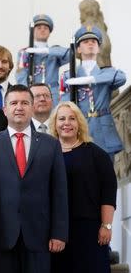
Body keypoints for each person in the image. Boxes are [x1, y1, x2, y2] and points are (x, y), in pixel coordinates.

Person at [0, 84, 68, 273]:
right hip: (1, 237)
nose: (19, 107)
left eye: (25, 103)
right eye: (14, 103)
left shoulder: (51, 145)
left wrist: (59, 233)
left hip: (39, 236)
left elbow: (59, 192)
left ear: (32, 107)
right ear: (5, 109)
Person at [49, 101, 117, 273]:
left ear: (79, 123)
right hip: (55, 231)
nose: (66, 123)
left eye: (72, 119)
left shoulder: (97, 154)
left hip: (89, 230)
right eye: (61, 119)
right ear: (55, 125)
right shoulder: (47, 154)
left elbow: (108, 191)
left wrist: (106, 225)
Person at [61, 25, 126, 158]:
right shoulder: (69, 76)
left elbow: (121, 78)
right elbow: (64, 103)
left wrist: (91, 79)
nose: (90, 44)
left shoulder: (107, 72)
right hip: (80, 126)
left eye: (94, 42)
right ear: (78, 49)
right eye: (85, 42)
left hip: (103, 128)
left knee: (106, 173)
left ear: (98, 48)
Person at [16, 14, 70, 106]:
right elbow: (21, 77)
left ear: (50, 31)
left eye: (45, 28)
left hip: (52, 93)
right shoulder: (24, 53)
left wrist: (47, 50)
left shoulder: (54, 52)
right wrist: (26, 93)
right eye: (39, 27)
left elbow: (70, 55)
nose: (42, 30)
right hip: (33, 92)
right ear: (32, 31)